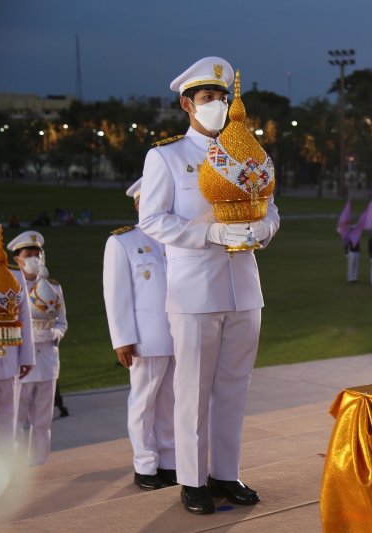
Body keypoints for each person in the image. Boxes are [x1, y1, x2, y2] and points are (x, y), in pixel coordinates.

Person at [139, 57, 280, 514]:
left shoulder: (246, 150)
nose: (217, 104)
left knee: (235, 387)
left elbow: (271, 208)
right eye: (207, 97)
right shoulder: (166, 157)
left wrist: (262, 230)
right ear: (187, 104)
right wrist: (208, 233)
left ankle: (225, 472)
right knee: (194, 390)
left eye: (222, 96)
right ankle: (192, 480)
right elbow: (152, 219)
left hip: (244, 286)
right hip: (195, 289)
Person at [104, 179, 177, 492]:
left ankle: (169, 462)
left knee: (171, 402)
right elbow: (116, 295)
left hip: (180, 335)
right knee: (144, 402)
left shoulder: (177, 237)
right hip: (146, 338)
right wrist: (122, 338)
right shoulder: (123, 241)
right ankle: (145, 465)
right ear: (137, 205)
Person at [9, 231, 67, 466]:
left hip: (47, 362)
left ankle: (39, 462)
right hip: (21, 363)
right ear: (17, 259)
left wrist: (54, 334)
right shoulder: (10, 288)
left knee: (43, 420)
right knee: (15, 419)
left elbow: (62, 323)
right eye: (28, 255)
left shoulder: (52, 287)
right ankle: (14, 463)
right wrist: (30, 335)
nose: (35, 259)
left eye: (38, 254)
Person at [0, 227, 34, 449]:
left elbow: (25, 318)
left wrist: (27, 357)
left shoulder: (15, 275)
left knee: (6, 416)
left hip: (7, 358)